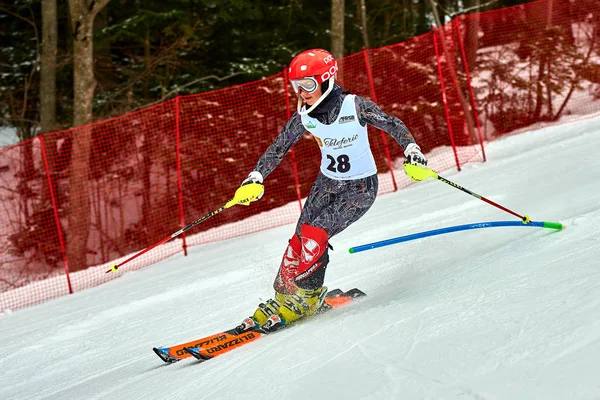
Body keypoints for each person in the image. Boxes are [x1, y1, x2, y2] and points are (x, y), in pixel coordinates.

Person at [237, 48, 428, 332]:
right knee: (298, 240)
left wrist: (412, 149)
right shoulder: (305, 115)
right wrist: (255, 176)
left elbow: (392, 123)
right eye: (296, 87)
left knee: (316, 234)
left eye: (308, 85)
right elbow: (279, 147)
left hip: (359, 187)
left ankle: (309, 297)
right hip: (327, 184)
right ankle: (284, 297)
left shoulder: (354, 106)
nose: (302, 93)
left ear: (326, 80)